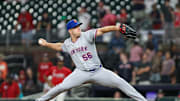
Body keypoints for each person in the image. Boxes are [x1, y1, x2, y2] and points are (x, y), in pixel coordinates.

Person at [36, 19, 146, 101]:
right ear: (70, 31)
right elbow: (59, 46)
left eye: (78, 26)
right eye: (75, 27)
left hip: (98, 71)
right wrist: (46, 44)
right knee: (61, 87)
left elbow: (102, 30)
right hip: (81, 73)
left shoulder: (87, 35)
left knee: (121, 82)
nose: (78, 28)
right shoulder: (68, 43)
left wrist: (117, 27)